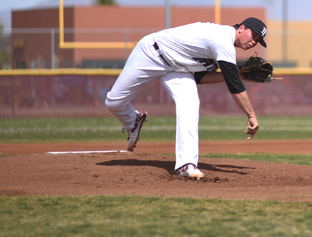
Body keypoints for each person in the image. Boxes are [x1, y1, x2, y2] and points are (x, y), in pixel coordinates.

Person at [105, 17, 267, 179]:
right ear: (241, 28)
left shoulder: (225, 48)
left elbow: (199, 78)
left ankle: (186, 164)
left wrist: (236, 73)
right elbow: (235, 86)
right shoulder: (222, 40)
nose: (254, 42)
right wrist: (251, 115)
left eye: (258, 41)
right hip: (152, 53)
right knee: (114, 102)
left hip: (178, 69)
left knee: (190, 104)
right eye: (253, 35)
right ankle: (132, 121)